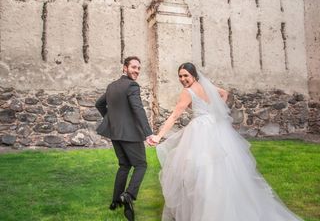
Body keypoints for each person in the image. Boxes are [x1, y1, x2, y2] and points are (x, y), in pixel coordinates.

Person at [150, 62, 303, 221]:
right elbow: (224, 93)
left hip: (201, 130)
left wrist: (158, 136)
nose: (182, 79)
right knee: (217, 168)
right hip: (214, 126)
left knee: (200, 170)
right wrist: (214, 110)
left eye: (185, 75)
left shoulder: (187, 92)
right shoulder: (205, 86)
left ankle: (206, 211)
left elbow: (174, 116)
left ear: (194, 75)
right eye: (180, 76)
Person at [95, 56, 154, 221]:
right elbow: (138, 109)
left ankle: (115, 202)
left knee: (124, 165)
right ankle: (128, 195)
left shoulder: (111, 86)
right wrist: (148, 133)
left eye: (138, 68)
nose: (136, 71)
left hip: (115, 133)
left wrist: (111, 119)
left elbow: (99, 104)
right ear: (124, 68)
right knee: (141, 165)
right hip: (130, 134)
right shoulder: (132, 86)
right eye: (134, 67)